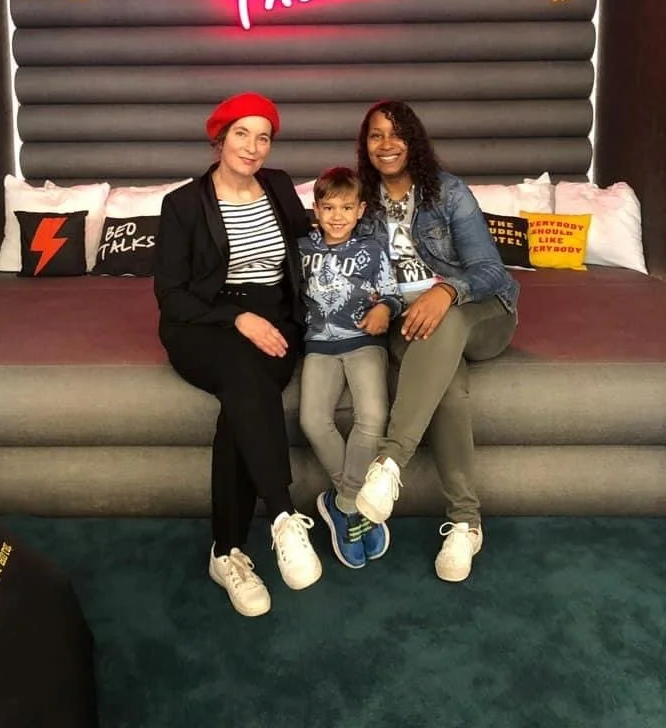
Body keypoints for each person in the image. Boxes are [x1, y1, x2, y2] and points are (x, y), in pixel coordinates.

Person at [153, 92, 322, 618]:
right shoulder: (184, 204)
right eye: (242, 134)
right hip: (204, 323)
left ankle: (226, 553)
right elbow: (172, 295)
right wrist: (236, 318)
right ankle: (284, 517)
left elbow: (308, 244)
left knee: (242, 398)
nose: (253, 147)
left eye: (263, 137)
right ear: (220, 138)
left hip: (275, 322)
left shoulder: (278, 185)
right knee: (244, 375)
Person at [353, 100, 519, 583]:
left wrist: (445, 292)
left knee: (444, 321)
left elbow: (490, 271)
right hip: (409, 321)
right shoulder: (361, 200)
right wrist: (381, 302)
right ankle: (466, 523)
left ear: (415, 141)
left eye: (397, 134)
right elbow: (354, 268)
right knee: (447, 388)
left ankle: (389, 462)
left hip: (481, 312)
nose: (387, 145)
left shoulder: (448, 192)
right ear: (365, 145)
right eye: (376, 135)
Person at [298, 167, 403, 569]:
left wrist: (384, 308)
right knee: (312, 420)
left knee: (373, 417)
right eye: (328, 208)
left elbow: (392, 293)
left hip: (364, 342)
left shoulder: (373, 249)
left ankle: (342, 504)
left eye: (346, 208)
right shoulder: (301, 249)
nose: (337, 216)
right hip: (319, 345)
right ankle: (356, 502)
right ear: (316, 209)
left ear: (360, 210)